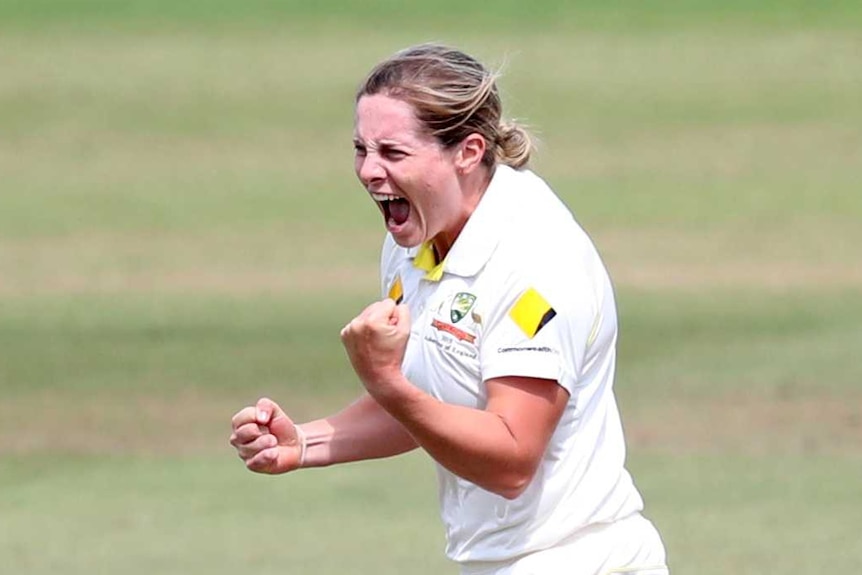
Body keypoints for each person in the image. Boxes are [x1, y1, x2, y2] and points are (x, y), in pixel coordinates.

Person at [230, 43, 669, 575]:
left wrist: (385, 382)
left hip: (574, 559)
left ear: (468, 151)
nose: (369, 171)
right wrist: (306, 441)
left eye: (393, 153)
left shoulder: (536, 262)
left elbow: (511, 459)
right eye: (361, 149)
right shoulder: (413, 241)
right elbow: (434, 399)